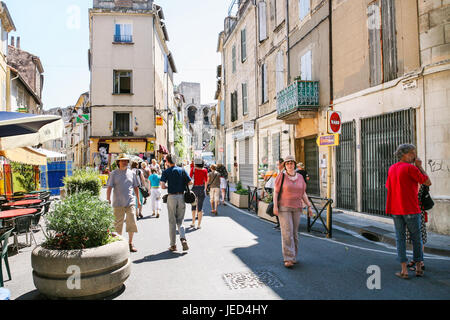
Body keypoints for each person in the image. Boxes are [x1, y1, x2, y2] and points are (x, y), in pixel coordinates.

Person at [386, 144, 431, 279]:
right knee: (416, 239)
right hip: (411, 209)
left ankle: (404, 270)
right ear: (404, 154)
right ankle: (418, 268)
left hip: (396, 209)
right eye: (412, 153)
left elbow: (388, 187)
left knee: (400, 239)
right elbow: (427, 182)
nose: (414, 156)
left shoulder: (392, 168)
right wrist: (419, 166)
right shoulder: (411, 168)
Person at [273, 155, 313, 268]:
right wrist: (275, 206)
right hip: (284, 207)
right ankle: (288, 258)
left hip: (297, 207)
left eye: (291, 163)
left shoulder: (300, 177)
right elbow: (276, 192)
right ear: (285, 165)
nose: (290, 165)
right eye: (287, 163)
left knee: (294, 233)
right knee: (287, 232)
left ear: (294, 164)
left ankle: (293, 256)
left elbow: (303, 193)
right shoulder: (281, 176)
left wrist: (309, 206)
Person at [106, 153, 141, 253]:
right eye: (123, 160)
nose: (125, 162)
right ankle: (119, 244)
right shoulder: (114, 173)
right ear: (118, 162)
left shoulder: (132, 173)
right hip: (118, 203)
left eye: (126, 160)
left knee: (132, 222)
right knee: (118, 224)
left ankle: (130, 243)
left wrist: (138, 200)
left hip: (130, 202)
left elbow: (136, 187)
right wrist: (108, 199)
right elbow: (109, 187)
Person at [160, 154, 192, 252]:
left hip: (171, 197)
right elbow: (190, 182)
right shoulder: (182, 170)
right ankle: (183, 238)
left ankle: (173, 245)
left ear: (167, 161)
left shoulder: (166, 171)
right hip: (181, 196)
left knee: (172, 221)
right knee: (180, 220)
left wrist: (168, 187)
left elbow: (162, 186)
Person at [190, 158, 208, 229]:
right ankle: (199, 225)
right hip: (201, 188)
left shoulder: (193, 169)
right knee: (200, 207)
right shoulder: (205, 170)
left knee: (193, 206)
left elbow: (189, 179)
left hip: (194, 189)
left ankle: (193, 222)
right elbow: (206, 181)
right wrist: (205, 190)